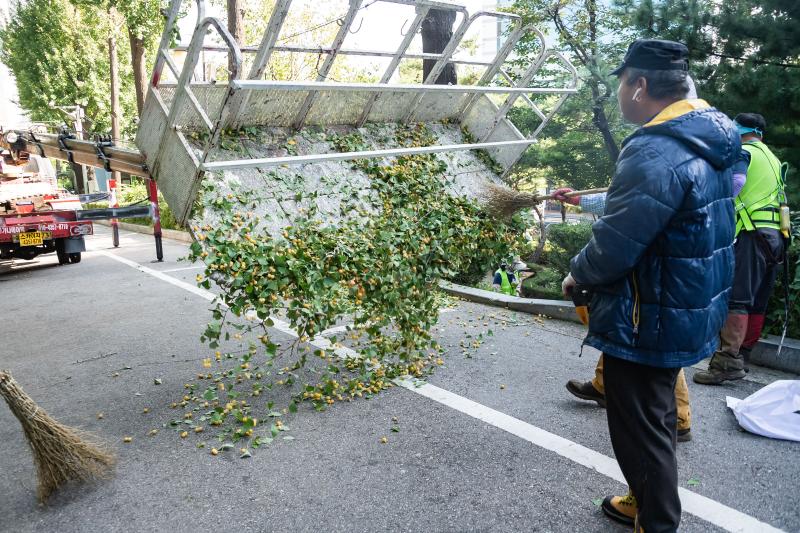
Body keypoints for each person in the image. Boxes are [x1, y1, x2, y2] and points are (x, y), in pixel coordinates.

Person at [561, 39, 739, 532]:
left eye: (621, 83)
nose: (619, 94)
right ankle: (647, 502)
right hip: (686, 303)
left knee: (640, 429)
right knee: (656, 415)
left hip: (649, 312)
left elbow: (618, 241)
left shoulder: (657, 148)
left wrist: (578, 272)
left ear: (639, 86)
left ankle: (655, 520)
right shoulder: (712, 137)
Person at [694, 113, 787, 384]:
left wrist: (715, 202)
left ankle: (727, 363)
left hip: (751, 234)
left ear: (739, 130)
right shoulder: (771, 157)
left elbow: (736, 182)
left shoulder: (743, 150)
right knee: (756, 301)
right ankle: (742, 356)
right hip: (776, 236)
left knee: (737, 298)